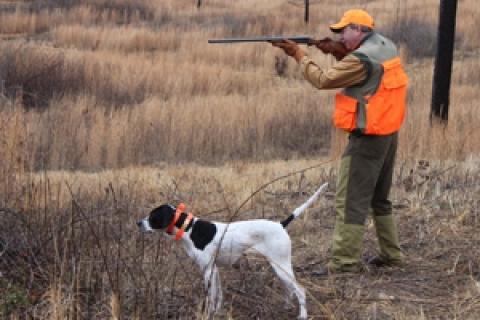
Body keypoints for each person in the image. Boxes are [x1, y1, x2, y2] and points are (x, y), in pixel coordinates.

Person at [273, 9, 408, 274]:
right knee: (380, 199)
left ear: (358, 30)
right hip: (388, 133)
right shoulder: (385, 46)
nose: (340, 35)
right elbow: (368, 72)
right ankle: (392, 255)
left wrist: (298, 54)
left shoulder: (360, 58)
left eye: (343, 31)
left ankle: (344, 263)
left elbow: (323, 80)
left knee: (349, 201)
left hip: (367, 138)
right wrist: (335, 50)